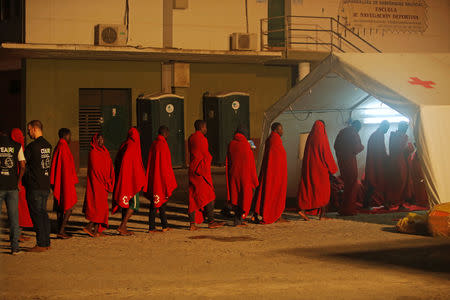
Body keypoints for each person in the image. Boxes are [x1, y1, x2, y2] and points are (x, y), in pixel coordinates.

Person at [298, 120, 338, 220]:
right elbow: (326, 154)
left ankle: (302, 210)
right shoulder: (322, 138)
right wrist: (333, 168)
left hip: (309, 169)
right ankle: (322, 216)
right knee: (323, 192)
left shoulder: (310, 137)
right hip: (320, 171)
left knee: (308, 190)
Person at [188, 120, 223, 231]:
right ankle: (211, 221)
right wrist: (209, 158)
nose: (206, 129)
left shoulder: (191, 138)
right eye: (205, 127)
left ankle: (192, 224)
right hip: (200, 171)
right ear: (202, 127)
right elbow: (205, 155)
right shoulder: (202, 139)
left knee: (193, 196)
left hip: (193, 169)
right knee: (209, 195)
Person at [24, 120, 52, 252]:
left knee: (36, 215)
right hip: (45, 184)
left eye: (29, 130)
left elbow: (24, 164)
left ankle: (41, 243)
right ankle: (46, 242)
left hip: (34, 185)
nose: (28, 132)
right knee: (43, 214)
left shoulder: (31, 147)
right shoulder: (48, 145)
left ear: (35, 129)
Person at [113, 127, 147, 236]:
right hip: (132, 181)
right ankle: (122, 225)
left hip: (125, 179)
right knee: (134, 205)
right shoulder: (132, 146)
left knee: (126, 204)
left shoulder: (125, 144)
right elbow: (132, 164)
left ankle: (124, 227)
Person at [253, 122, 287, 224]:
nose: (282, 131)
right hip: (274, 174)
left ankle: (275, 215)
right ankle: (273, 215)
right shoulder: (275, 140)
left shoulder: (272, 139)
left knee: (269, 192)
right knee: (274, 194)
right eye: (281, 129)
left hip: (272, 173)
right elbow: (275, 159)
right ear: (276, 130)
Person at [145, 126, 177, 233]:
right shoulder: (162, 145)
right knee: (157, 203)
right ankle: (152, 227)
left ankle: (164, 225)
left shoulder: (154, 144)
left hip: (155, 177)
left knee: (161, 202)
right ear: (165, 133)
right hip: (161, 178)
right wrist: (167, 180)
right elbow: (165, 165)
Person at [83, 133, 115, 237]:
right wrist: (105, 180)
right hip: (97, 184)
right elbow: (96, 170)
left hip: (104, 183)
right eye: (99, 139)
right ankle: (89, 226)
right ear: (95, 141)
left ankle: (97, 231)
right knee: (98, 207)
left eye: (102, 139)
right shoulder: (93, 152)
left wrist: (109, 179)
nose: (101, 141)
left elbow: (109, 165)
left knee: (103, 207)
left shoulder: (105, 151)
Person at [226, 126, 259, 226]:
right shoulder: (245, 145)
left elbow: (228, 160)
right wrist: (254, 178)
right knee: (244, 196)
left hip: (234, 174)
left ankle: (238, 219)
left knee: (236, 196)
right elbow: (250, 163)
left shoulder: (231, 144)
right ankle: (239, 219)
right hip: (244, 175)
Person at [0, 128, 26, 254]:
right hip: (12, 186)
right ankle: (15, 247)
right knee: (14, 218)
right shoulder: (17, 146)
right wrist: (17, 181)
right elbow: (22, 165)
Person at [50, 128, 78, 239]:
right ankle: (61, 230)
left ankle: (60, 228)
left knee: (60, 206)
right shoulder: (63, 147)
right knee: (69, 206)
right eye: (70, 135)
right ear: (66, 135)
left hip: (60, 181)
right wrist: (68, 182)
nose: (70, 138)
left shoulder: (58, 146)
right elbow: (66, 168)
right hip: (64, 182)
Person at [334, 120, 364, 216]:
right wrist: (362, 147)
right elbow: (357, 147)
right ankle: (349, 209)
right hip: (350, 161)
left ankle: (344, 208)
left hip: (342, 162)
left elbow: (335, 146)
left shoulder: (342, 132)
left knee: (347, 184)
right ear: (357, 127)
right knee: (352, 185)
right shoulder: (353, 133)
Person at [11, 128, 33, 239]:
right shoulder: (19, 147)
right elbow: (22, 166)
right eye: (21, 135)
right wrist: (19, 182)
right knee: (19, 209)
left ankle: (19, 232)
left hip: (14, 182)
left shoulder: (11, 148)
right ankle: (17, 233)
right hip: (19, 183)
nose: (24, 137)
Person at [386, 121, 414, 209]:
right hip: (399, 163)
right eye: (405, 128)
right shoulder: (399, 136)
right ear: (401, 127)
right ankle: (395, 202)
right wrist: (410, 147)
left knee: (400, 183)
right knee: (400, 183)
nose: (406, 130)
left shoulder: (395, 135)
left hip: (396, 162)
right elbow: (403, 149)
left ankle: (398, 203)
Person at [363, 120, 390, 208]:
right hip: (375, 163)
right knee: (372, 183)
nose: (387, 130)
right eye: (386, 128)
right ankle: (366, 204)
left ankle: (366, 204)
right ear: (382, 126)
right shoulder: (377, 135)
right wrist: (387, 158)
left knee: (373, 183)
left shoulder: (378, 134)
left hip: (376, 162)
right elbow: (380, 151)